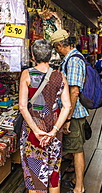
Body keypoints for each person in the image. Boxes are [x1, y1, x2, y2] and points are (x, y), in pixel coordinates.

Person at [19, 39, 71, 193]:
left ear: (33, 56)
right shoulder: (59, 76)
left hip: (33, 129)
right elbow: (67, 106)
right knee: (54, 170)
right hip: (53, 128)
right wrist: (54, 131)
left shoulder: (27, 74)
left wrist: (35, 130)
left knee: (34, 172)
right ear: (50, 55)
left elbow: (22, 106)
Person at [50, 29, 88, 193]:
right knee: (74, 148)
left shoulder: (72, 61)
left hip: (74, 113)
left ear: (59, 45)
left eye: (55, 47)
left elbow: (74, 92)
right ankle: (75, 180)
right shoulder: (72, 58)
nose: (56, 51)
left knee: (77, 149)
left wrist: (67, 118)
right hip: (72, 112)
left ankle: (79, 186)